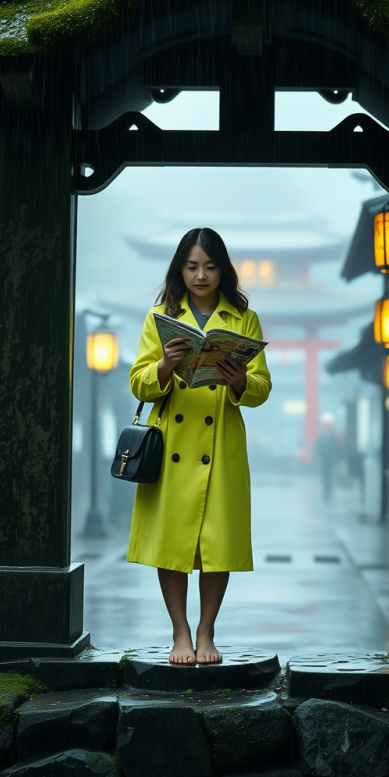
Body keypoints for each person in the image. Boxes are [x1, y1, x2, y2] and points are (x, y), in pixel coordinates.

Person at [127, 228, 272, 665]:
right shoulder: (159, 316)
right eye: (192, 266)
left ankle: (207, 632)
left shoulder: (244, 317)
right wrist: (165, 366)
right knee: (172, 541)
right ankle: (180, 633)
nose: (201, 275)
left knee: (217, 543)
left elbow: (263, 386)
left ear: (223, 269)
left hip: (221, 440)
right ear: (179, 269)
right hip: (173, 440)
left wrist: (240, 380)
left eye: (210, 266)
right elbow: (137, 380)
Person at [314, 412, 343, 501]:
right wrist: (338, 457)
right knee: (329, 474)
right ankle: (328, 489)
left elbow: (318, 447)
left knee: (325, 474)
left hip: (324, 459)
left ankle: (326, 489)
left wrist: (316, 454)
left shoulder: (322, 436)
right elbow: (338, 447)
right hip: (330, 459)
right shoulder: (332, 435)